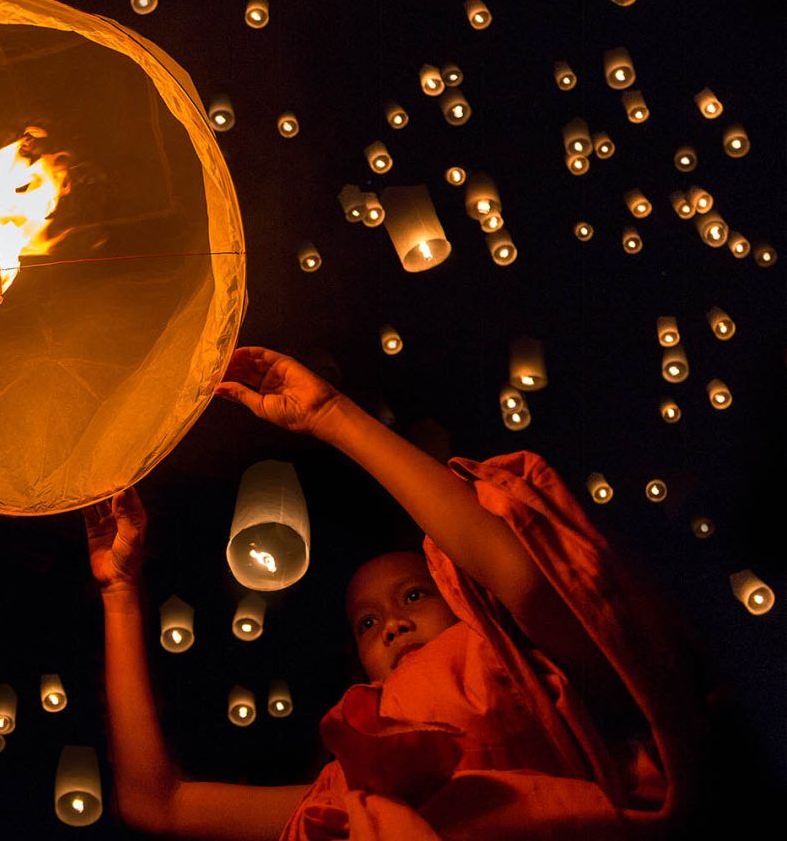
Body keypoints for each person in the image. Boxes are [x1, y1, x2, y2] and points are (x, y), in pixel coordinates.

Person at [85, 345, 699, 840]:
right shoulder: (356, 782)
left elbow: (529, 582)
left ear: (462, 598)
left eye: (412, 597)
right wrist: (120, 593)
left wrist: (332, 416)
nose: (392, 627)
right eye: (367, 623)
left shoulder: (526, 663)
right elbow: (157, 805)